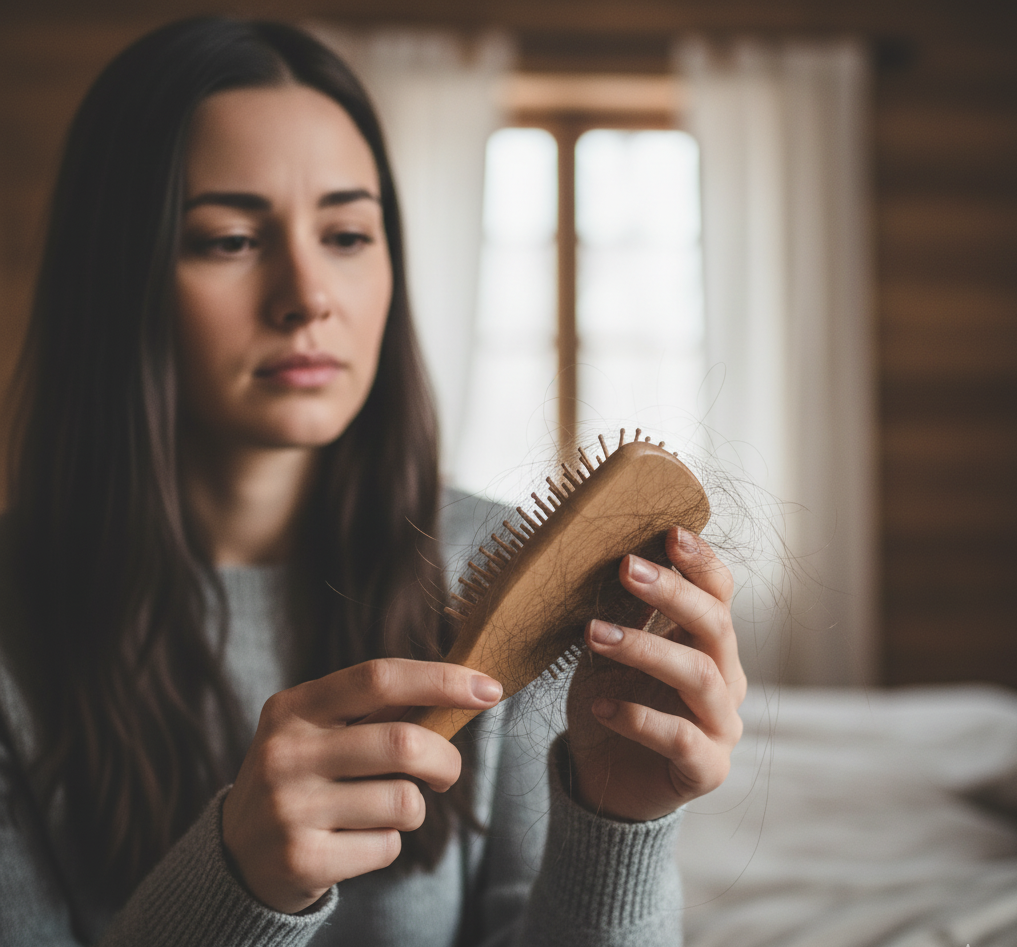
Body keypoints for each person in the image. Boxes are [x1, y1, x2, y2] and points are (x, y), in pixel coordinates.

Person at [0, 17, 746, 946]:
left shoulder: (492, 566)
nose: (307, 293)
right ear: (116, 277)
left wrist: (618, 824)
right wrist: (240, 882)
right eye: (230, 239)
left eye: (348, 232)